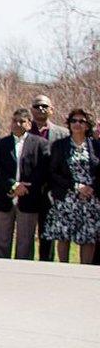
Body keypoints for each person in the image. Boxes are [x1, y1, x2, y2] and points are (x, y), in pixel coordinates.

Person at [0, 108, 49, 260]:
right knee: (1, 242)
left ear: (29, 124)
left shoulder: (40, 144)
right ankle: (0, 273)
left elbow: (43, 170)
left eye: (22, 121)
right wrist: (13, 185)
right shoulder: (1, 144)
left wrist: (25, 187)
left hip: (29, 198)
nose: (18, 124)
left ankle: (22, 277)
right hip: (3, 197)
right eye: (15, 121)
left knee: (25, 243)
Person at [42, 109, 100, 263]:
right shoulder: (60, 146)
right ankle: (64, 269)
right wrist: (76, 186)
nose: (77, 124)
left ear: (87, 125)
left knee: (88, 236)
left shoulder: (96, 145)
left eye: (81, 121)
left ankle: (84, 271)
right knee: (64, 234)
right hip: (67, 196)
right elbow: (53, 172)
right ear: (69, 124)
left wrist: (90, 188)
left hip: (91, 198)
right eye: (74, 121)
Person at [29, 94, 69, 261]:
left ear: (52, 110)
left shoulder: (62, 133)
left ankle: (47, 264)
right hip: (29, 189)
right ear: (31, 110)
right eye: (37, 106)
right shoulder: (23, 129)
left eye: (45, 106)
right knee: (26, 233)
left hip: (52, 191)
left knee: (48, 232)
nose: (41, 109)